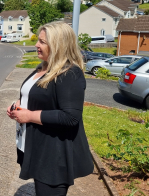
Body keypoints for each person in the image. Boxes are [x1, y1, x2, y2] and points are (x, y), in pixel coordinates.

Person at [7, 21, 93, 196]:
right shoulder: (44, 67)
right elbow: (38, 95)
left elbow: (70, 117)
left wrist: (29, 116)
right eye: (38, 40)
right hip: (39, 147)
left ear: (58, 46)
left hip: (54, 156)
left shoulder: (69, 73)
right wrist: (19, 104)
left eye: (42, 42)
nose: (36, 45)